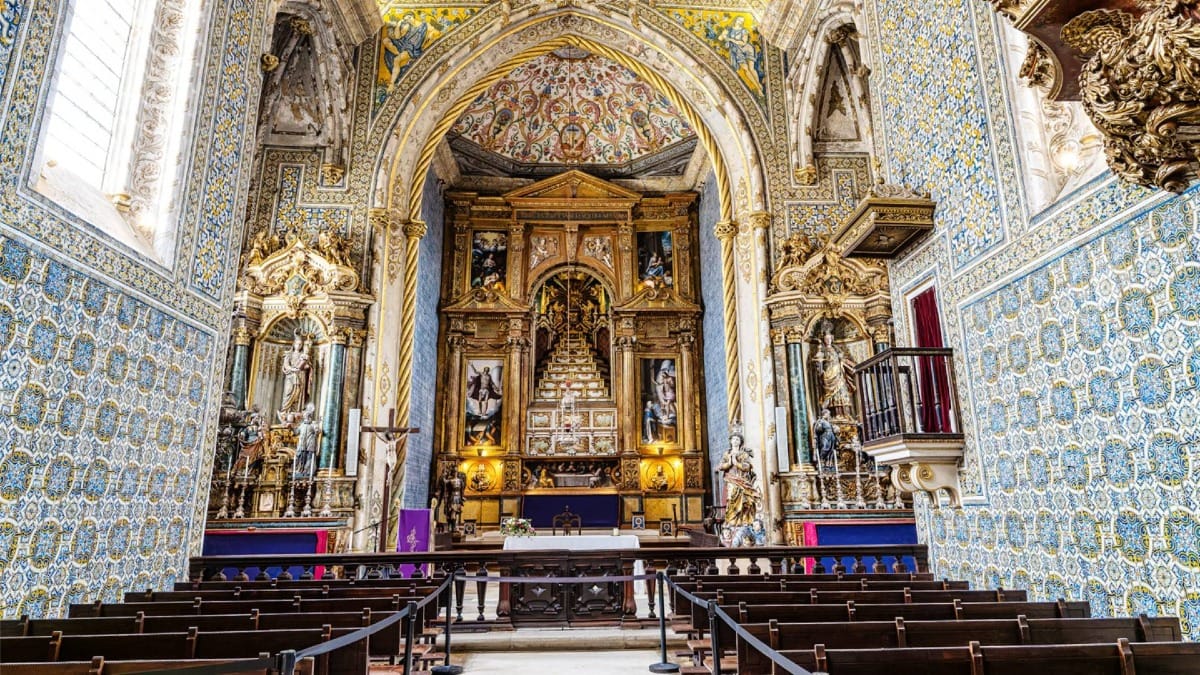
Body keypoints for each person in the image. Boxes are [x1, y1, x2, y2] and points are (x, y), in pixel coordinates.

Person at [718, 432, 761, 529]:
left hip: (742, 480)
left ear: (741, 441)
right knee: (732, 499)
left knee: (745, 501)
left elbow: (747, 466)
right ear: (730, 441)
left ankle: (744, 521)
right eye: (733, 439)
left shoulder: (744, 454)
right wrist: (729, 463)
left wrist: (737, 463)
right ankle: (732, 520)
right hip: (731, 480)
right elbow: (720, 466)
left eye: (737, 439)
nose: (735, 441)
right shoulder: (727, 454)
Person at [814, 328, 855, 418]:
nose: (828, 341)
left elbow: (842, 358)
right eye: (826, 339)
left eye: (829, 339)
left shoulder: (836, 349)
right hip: (829, 373)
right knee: (832, 395)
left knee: (842, 391)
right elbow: (819, 362)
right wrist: (820, 367)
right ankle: (835, 414)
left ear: (832, 339)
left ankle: (845, 414)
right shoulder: (823, 350)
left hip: (839, 373)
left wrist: (843, 360)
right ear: (824, 340)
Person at [278, 333, 311, 420]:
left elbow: (307, 366)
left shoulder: (303, 355)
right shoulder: (289, 355)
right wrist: (294, 369)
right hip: (290, 376)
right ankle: (285, 411)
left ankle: (296, 411)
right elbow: (286, 365)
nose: (299, 346)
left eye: (301, 344)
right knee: (288, 393)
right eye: (297, 343)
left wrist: (306, 364)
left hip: (300, 376)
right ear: (294, 344)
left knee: (298, 394)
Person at [292, 404, 319, 479]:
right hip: (302, 445)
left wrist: (316, 429)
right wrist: (291, 427)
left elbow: (317, 431)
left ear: (310, 416)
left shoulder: (313, 424)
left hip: (310, 444)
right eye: (305, 416)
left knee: (309, 458)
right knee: (300, 457)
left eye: (307, 416)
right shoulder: (302, 425)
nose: (306, 417)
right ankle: (300, 470)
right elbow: (296, 432)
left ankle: (308, 471)